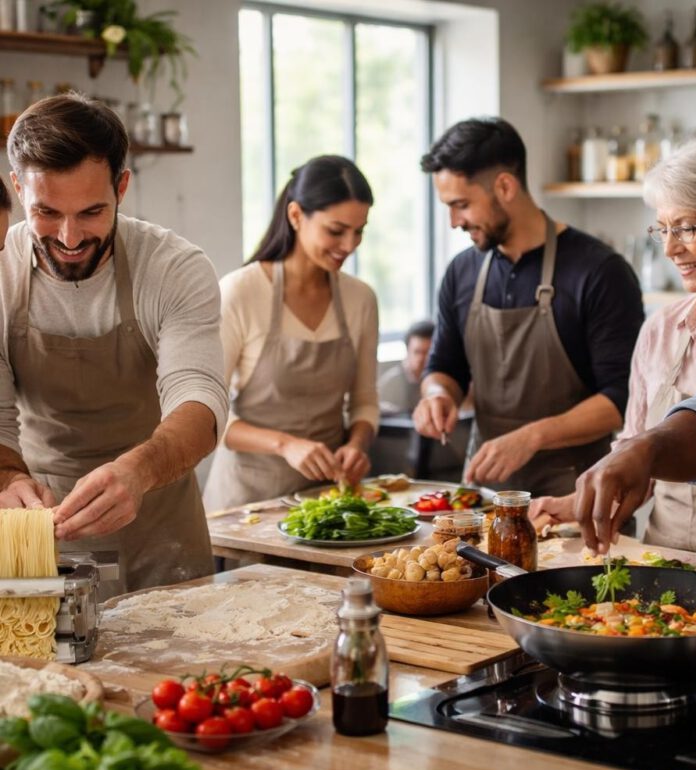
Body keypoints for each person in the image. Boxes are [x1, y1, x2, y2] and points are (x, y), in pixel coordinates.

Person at [531, 135, 696, 571]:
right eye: (662, 229)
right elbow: (640, 454)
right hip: (659, 576)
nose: (671, 247)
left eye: (687, 227)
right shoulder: (660, 330)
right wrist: (579, 500)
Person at [3, 94, 229, 597]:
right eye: (46, 212)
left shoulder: (173, 266)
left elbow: (199, 397)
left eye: (91, 212)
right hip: (43, 529)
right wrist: (6, 478)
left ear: (122, 187)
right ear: (18, 188)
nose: (68, 236)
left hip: (161, 521)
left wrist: (139, 469)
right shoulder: (0, 269)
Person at [413, 117, 644, 495]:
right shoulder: (462, 271)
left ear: (505, 186)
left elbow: (620, 399)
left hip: (577, 497)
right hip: (483, 496)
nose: (455, 221)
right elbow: (444, 365)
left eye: (462, 205)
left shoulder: (599, 271)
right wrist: (437, 394)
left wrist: (532, 437)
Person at [203, 155, 379, 510]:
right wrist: (285, 444)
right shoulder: (241, 292)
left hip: (327, 505)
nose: (349, 245)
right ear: (296, 215)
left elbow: (364, 401)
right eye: (336, 230)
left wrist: (357, 445)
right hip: (246, 507)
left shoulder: (360, 299)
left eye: (359, 231)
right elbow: (206, 417)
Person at [378, 320, 434, 415]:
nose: (422, 359)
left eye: (427, 352)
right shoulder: (391, 384)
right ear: (407, 351)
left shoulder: (441, 383)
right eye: (417, 352)